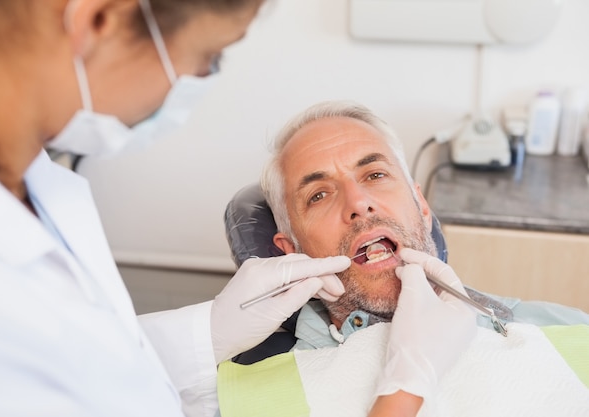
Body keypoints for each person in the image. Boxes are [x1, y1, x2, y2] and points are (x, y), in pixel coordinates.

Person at [0, 2, 354, 416]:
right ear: (99, 20)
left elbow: (101, 367)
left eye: (377, 175)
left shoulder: (36, 183)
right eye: (209, 56)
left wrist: (209, 334)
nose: (358, 204)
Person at [221, 100, 589, 417]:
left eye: (375, 174)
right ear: (292, 251)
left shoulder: (569, 331)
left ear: (422, 207)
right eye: (318, 195)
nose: (358, 203)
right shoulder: (253, 394)